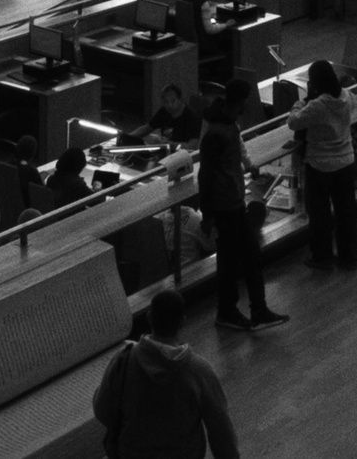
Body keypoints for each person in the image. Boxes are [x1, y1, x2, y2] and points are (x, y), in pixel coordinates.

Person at [93, 288, 241, 459]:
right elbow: (221, 431)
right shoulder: (199, 370)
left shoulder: (123, 361)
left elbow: (102, 412)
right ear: (183, 322)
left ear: (149, 317)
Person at [196, 97, 284, 331]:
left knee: (241, 258)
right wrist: (208, 214)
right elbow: (206, 175)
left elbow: (234, 155)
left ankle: (249, 310)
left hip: (232, 205)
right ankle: (236, 311)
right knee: (234, 260)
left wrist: (249, 165)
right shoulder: (216, 133)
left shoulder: (228, 127)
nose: (241, 112)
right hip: (226, 207)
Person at [293, 60, 357, 270]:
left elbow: (293, 121)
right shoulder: (347, 96)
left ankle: (322, 256)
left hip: (319, 166)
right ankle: (349, 257)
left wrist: (300, 103)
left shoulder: (317, 106)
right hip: (346, 162)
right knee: (345, 213)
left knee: (319, 214)